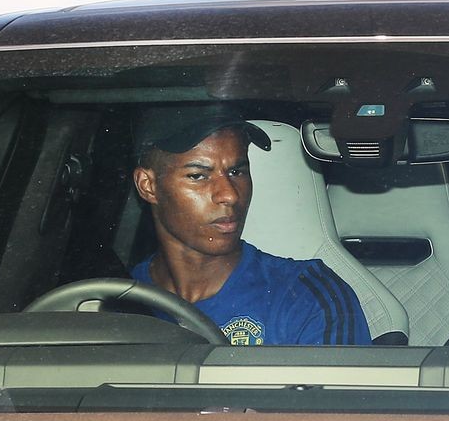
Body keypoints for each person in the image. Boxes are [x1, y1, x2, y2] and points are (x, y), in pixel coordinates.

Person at [129, 105, 370, 345]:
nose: (230, 195)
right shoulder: (116, 299)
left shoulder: (308, 296)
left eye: (236, 172)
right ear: (148, 185)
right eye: (198, 176)